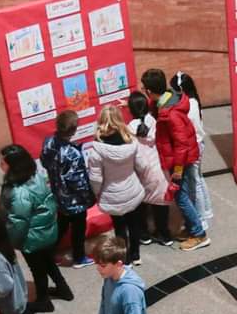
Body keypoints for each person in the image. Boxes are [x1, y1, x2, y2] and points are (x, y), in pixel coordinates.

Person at [141, 68, 209, 252]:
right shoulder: (169, 100)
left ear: (148, 91)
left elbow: (181, 145)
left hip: (181, 161)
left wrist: (177, 171)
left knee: (181, 198)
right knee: (183, 196)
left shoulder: (170, 114)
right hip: (179, 158)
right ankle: (192, 228)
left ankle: (199, 233)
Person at [87, 104, 162, 265]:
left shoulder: (96, 150)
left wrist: (97, 193)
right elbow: (143, 166)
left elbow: (96, 179)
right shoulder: (131, 141)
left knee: (119, 228)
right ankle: (136, 255)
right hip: (132, 190)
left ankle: (124, 258)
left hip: (112, 194)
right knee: (134, 225)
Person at [0, 144, 70, 313]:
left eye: (2, 161)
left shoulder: (18, 193)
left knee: (37, 269)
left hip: (32, 238)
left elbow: (18, 223)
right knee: (48, 262)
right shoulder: (36, 176)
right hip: (47, 231)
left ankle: (44, 301)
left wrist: (13, 243)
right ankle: (63, 289)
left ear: (13, 165)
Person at [39, 110, 97, 269]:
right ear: (73, 130)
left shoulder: (48, 142)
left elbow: (45, 163)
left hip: (58, 195)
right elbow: (77, 181)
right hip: (75, 201)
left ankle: (49, 252)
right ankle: (79, 258)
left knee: (62, 225)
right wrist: (89, 196)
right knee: (78, 230)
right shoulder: (73, 154)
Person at [128, 91, 174, 248]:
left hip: (141, 173)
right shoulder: (152, 120)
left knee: (141, 205)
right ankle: (165, 235)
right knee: (160, 205)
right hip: (159, 170)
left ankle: (144, 234)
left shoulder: (130, 128)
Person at [169, 71, 213, 229]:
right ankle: (207, 212)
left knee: (195, 184)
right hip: (198, 144)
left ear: (180, 89)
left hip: (194, 146)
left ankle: (201, 218)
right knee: (199, 180)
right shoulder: (193, 101)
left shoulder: (189, 106)